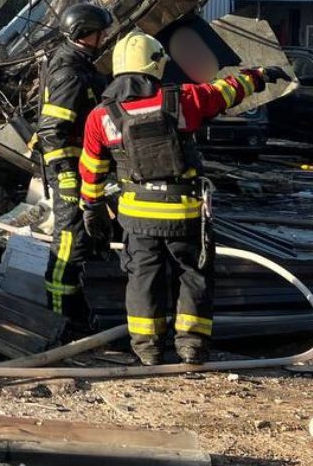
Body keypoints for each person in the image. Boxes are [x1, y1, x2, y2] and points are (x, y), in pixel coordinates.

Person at [77, 31, 289, 365]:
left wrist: (92, 208)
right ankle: (191, 347)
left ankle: (148, 349)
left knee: (143, 280)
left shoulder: (100, 117)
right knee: (193, 274)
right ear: (156, 65)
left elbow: (91, 171)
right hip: (184, 213)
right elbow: (225, 91)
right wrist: (259, 76)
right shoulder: (184, 99)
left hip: (137, 219)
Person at [37, 2, 113, 328]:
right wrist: (65, 175)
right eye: (99, 32)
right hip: (70, 171)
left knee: (89, 240)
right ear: (84, 33)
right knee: (70, 241)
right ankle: (58, 318)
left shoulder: (82, 65)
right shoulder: (69, 72)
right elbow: (51, 131)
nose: (104, 37)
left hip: (85, 168)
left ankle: (81, 313)